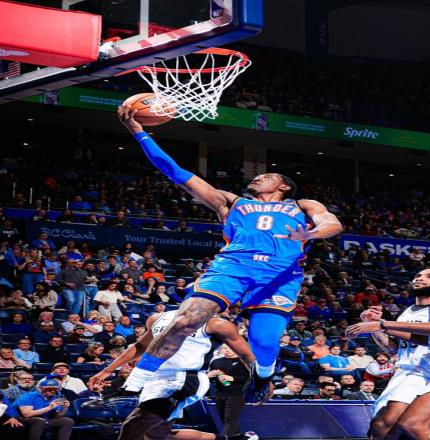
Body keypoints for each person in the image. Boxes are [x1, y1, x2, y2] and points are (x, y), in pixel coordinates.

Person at [117, 104, 343, 403]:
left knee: (264, 341)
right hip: (232, 268)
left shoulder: (302, 205)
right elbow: (175, 171)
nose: (257, 178)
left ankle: (263, 375)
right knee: (185, 320)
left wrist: (311, 234)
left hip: (279, 276)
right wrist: (138, 132)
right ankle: (135, 381)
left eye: (267, 176)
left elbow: (332, 223)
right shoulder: (230, 202)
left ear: (284, 186)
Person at [347, 251, 430, 440]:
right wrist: (379, 327)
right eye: (418, 275)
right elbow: (428, 339)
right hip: (427, 364)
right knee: (384, 425)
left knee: (412, 424)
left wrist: (384, 324)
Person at [88, 308, 259, 440]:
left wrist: (262, 382)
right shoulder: (157, 318)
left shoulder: (216, 324)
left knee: (134, 424)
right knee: (155, 435)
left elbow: (246, 355)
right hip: (155, 379)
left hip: (185, 379)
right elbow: (140, 346)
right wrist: (106, 371)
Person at [357, 268, 430, 440]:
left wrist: (383, 325)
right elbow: (394, 348)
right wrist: (373, 326)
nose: (420, 278)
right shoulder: (406, 312)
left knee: (389, 424)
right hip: (404, 372)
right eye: (417, 275)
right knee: (382, 428)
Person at [208, 344, 251, 436]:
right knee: (225, 420)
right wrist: (209, 376)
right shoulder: (216, 362)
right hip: (219, 393)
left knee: (230, 420)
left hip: (237, 394)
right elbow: (212, 380)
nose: (227, 350)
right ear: (221, 349)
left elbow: (250, 379)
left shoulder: (244, 361)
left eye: (230, 348)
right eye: (224, 348)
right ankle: (240, 437)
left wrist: (233, 378)